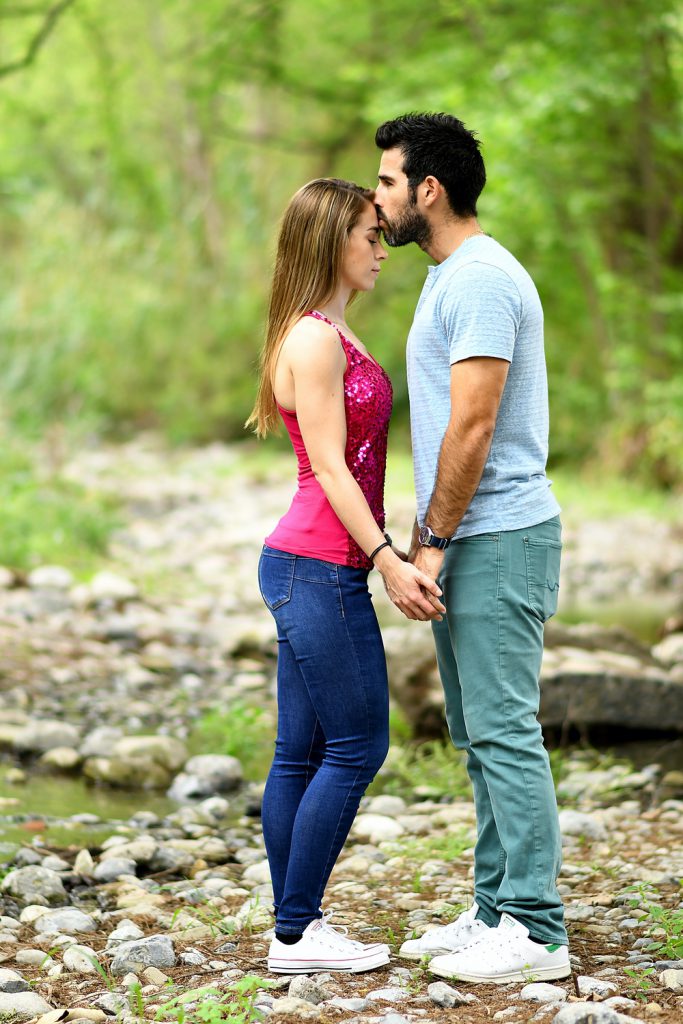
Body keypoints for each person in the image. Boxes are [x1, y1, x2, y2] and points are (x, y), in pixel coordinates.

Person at [373, 113, 570, 984]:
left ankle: (535, 930)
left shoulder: (482, 279)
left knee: (503, 731)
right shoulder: (449, 277)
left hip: (497, 534)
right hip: (472, 537)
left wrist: (431, 544)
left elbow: (473, 425)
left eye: (387, 181)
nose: (376, 198)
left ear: (429, 188)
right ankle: (493, 907)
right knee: (477, 733)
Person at [246, 177, 445, 974]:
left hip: (311, 566)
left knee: (299, 753)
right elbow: (330, 467)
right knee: (359, 746)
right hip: (318, 568)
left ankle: (295, 928)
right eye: (368, 234)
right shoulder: (314, 339)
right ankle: (296, 933)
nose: (381, 249)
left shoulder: (326, 330)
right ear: (330, 240)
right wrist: (386, 557)